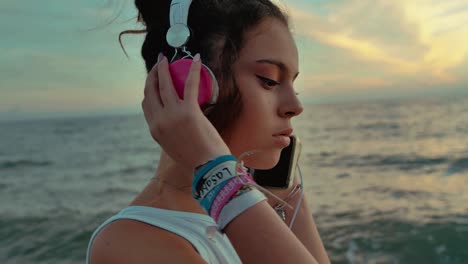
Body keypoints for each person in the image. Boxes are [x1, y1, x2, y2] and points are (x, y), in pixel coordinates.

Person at [87, 0, 330, 263]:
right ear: (187, 86)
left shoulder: (248, 216)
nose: (295, 106)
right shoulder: (129, 243)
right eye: (269, 80)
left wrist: (289, 198)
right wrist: (218, 177)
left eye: (293, 85)